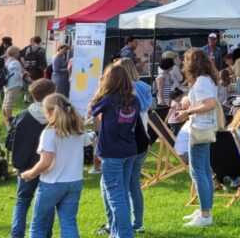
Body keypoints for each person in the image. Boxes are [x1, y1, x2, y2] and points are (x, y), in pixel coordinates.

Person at [21, 93, 91, 238]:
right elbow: (87, 142)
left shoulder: (49, 133)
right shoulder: (78, 129)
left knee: (38, 224)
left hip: (52, 183)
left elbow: (45, 162)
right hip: (74, 181)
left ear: (50, 112)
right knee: (69, 222)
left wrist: (30, 173)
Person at [89, 65, 147, 238]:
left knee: (115, 196)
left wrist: (100, 88)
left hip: (112, 153)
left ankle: (124, 234)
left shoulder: (107, 99)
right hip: (129, 150)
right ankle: (116, 232)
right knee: (121, 192)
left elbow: (91, 110)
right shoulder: (134, 99)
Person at [173, 48, 221, 227]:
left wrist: (188, 111)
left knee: (198, 172)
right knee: (204, 171)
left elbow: (209, 104)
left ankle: (205, 214)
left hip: (200, 128)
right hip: (205, 128)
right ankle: (204, 210)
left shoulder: (201, 81)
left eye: (186, 61)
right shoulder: (206, 79)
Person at [112, 58, 153, 235]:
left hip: (129, 141)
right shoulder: (144, 88)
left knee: (121, 188)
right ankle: (137, 222)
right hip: (144, 140)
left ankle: (122, 224)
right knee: (133, 185)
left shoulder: (128, 92)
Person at [7, 78, 53, 238]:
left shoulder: (22, 116)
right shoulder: (56, 118)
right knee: (47, 204)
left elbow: (9, 141)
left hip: (25, 164)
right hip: (49, 166)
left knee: (22, 201)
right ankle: (46, 234)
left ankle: (17, 234)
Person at [3, 45, 28, 128]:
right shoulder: (16, 62)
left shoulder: (7, 61)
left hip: (7, 84)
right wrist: (23, 74)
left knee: (5, 103)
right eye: (17, 52)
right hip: (14, 84)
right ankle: (9, 122)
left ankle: (6, 121)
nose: (19, 53)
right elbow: (17, 76)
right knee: (9, 104)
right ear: (13, 53)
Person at [0, 36, 13, 107]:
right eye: (5, 44)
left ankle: (4, 101)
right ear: (3, 43)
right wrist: (1, 57)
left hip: (8, 69)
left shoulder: (10, 49)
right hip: (0, 69)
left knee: (6, 85)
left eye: (8, 44)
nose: (7, 46)